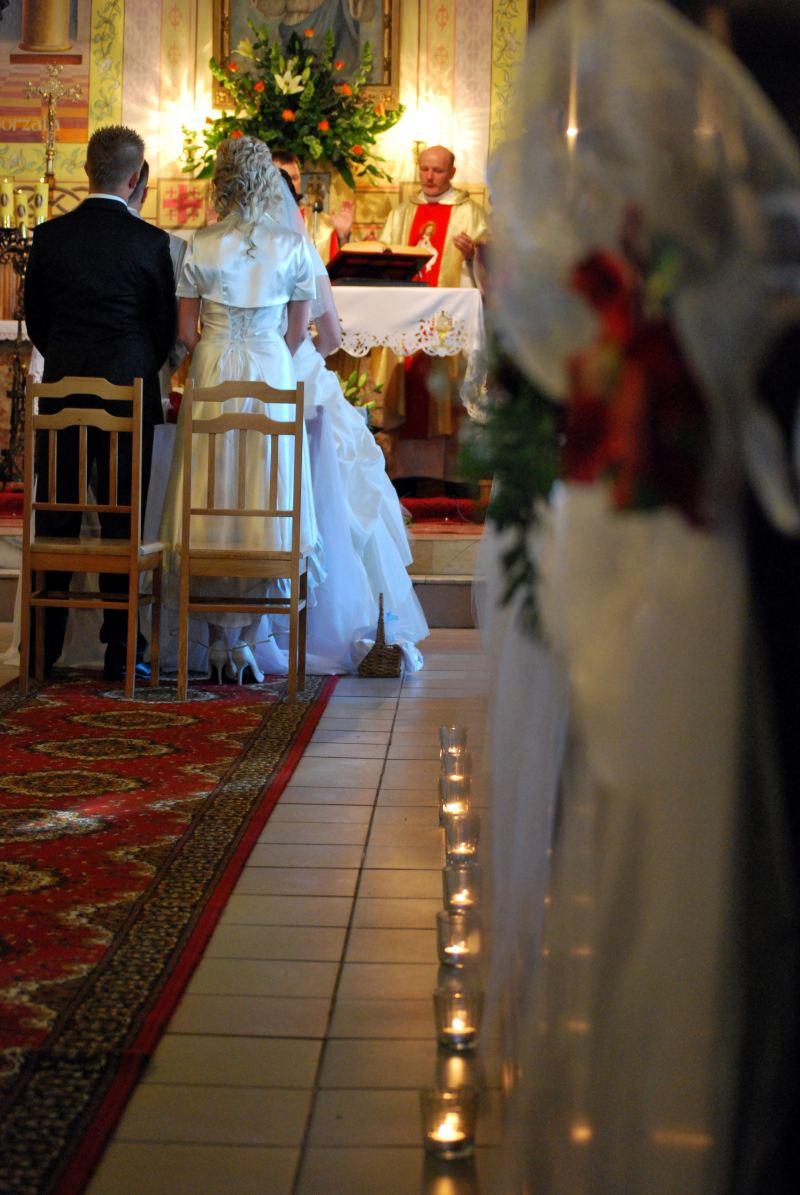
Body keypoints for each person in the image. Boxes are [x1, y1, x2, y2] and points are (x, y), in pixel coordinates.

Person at [158, 135, 320, 683]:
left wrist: (216, 349)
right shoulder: (293, 245)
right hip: (270, 364)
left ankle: (222, 642)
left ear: (223, 181)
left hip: (212, 364)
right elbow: (300, 332)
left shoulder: (201, 242)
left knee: (214, 491)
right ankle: (248, 640)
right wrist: (265, 354)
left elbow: (185, 327)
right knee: (264, 490)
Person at [24, 124, 176, 681]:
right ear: (135, 178)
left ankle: (45, 650)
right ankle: (121, 649)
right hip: (128, 395)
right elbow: (163, 329)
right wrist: (133, 363)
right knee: (122, 528)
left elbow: (35, 319)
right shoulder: (150, 242)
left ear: (88, 170)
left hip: (62, 391)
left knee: (60, 518)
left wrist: (70, 357)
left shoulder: (50, 236)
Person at [276, 171, 429, 667]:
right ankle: (333, 612)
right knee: (335, 494)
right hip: (297, 375)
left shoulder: (225, 252)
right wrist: (298, 357)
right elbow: (332, 338)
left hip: (248, 375)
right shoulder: (299, 251)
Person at [379, 145, 489, 289]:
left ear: (452, 173)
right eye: (424, 169)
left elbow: (494, 269)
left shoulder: (472, 213)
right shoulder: (400, 213)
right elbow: (383, 260)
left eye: (438, 171)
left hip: (449, 305)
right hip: (405, 301)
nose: (429, 177)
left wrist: (471, 256)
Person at [127, 159, 188, 409]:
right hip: (152, 375)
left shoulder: (70, 238)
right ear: (145, 192)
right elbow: (178, 331)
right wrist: (162, 365)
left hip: (83, 385)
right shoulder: (171, 246)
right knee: (149, 447)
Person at [271, 148, 354, 264]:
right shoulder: (252, 224)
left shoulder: (323, 226)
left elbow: (340, 273)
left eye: (294, 178)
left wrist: (343, 236)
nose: (289, 184)